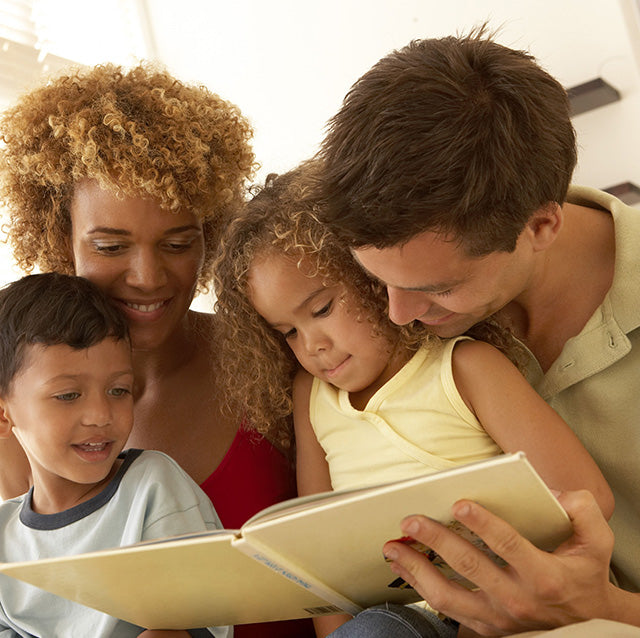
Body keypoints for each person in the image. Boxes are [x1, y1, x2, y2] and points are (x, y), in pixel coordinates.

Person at [317, 27, 640, 635]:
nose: (397, 317)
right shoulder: (404, 338)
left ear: (541, 226)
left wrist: (609, 609)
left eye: (438, 288)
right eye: (376, 280)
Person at [211, 162, 613, 638]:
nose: (312, 345)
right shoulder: (311, 395)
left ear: (373, 275)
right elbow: (317, 547)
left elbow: (586, 499)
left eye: (322, 309)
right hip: (395, 619)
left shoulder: (466, 367)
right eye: (288, 332)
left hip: (508, 601)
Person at [0, 63, 314, 638]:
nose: (147, 276)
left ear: (211, 233)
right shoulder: (25, 417)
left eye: (178, 242)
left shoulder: (279, 352)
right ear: (57, 238)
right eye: (111, 245)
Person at [0, 272, 226, 638]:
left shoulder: (154, 489)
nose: (101, 416)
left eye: (118, 390)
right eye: (68, 395)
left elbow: (183, 628)